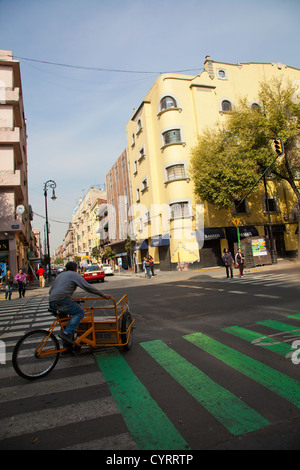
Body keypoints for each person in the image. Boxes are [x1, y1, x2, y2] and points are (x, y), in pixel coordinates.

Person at [49, 261, 112, 345]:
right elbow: (87, 286)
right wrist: (102, 294)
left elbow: (50, 291)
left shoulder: (59, 275)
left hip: (52, 301)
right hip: (62, 300)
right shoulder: (74, 275)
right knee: (80, 312)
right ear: (75, 269)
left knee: (65, 323)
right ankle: (66, 333)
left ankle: (66, 348)